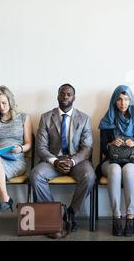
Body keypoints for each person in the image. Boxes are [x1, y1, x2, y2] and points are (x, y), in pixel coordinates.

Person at [30, 83, 95, 232]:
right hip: (53, 161)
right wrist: (54, 160)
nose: (65, 97)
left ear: (74, 97)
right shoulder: (46, 117)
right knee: (35, 175)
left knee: (90, 176)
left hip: (76, 161)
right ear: (57, 96)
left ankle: (70, 214)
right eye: (62, 94)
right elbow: (40, 147)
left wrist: (72, 161)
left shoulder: (84, 118)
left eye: (69, 94)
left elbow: (87, 148)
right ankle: (54, 216)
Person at [0, 86, 33, 238]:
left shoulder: (23, 117)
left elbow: (29, 143)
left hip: (15, 159)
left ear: (10, 101)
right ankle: (5, 197)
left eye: (3, 103)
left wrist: (20, 148)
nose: (1, 107)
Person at [98, 85, 134, 237]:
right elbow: (103, 148)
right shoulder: (107, 121)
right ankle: (117, 217)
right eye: (119, 99)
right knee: (115, 169)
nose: (123, 103)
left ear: (130, 101)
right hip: (112, 161)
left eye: (126, 99)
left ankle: (130, 217)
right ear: (114, 101)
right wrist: (111, 144)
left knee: (129, 169)